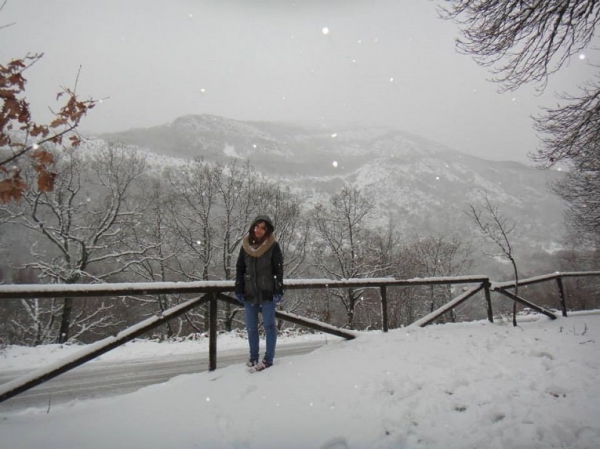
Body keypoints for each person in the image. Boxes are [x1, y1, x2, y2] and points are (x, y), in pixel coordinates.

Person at [235, 215, 284, 371]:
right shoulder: (245, 246)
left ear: (267, 230)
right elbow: (240, 269)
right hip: (249, 292)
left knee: (269, 326)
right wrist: (239, 287)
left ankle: (268, 359)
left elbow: (278, 270)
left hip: (267, 292)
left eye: (263, 227)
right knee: (251, 327)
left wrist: (278, 289)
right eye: (256, 226)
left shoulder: (273, 246)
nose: (258, 230)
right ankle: (253, 357)